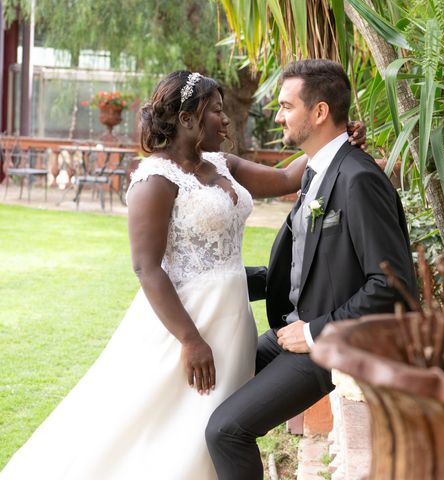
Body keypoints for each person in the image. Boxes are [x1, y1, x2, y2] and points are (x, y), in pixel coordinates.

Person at [0, 70, 365, 480]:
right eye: (216, 112)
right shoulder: (155, 180)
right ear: (188, 118)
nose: (225, 120)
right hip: (186, 325)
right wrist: (190, 340)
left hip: (231, 321)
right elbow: (146, 267)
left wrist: (336, 140)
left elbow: (284, 179)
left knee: (210, 430)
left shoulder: (222, 164)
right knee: (164, 427)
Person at [205, 59, 417, 479]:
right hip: (291, 333)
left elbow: (393, 286)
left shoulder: (358, 179)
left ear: (319, 112)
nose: (278, 114)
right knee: (203, 388)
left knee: (226, 431)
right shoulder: (318, 171)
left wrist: (315, 331)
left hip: (328, 344)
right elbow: (309, 265)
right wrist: (213, 282)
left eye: (287, 106)